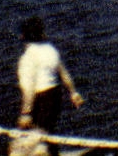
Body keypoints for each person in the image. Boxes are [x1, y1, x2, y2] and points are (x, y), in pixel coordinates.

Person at [17, 18, 82, 150]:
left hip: (40, 99)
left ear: (23, 36)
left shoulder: (27, 58)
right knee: (48, 133)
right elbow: (64, 74)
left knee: (37, 138)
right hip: (55, 96)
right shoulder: (50, 50)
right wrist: (73, 93)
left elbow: (29, 90)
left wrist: (26, 113)